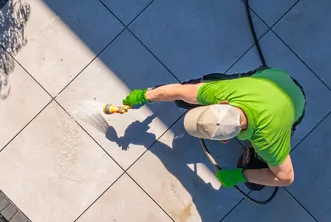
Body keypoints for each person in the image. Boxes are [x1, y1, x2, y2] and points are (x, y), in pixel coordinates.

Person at [122, 68, 305, 189]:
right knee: (190, 92)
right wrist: (145, 96)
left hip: (296, 104)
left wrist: (241, 175)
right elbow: (179, 91)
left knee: (255, 182)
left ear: (224, 140)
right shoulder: (221, 91)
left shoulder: (268, 142)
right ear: (223, 103)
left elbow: (286, 177)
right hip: (273, 77)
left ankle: (260, 153)